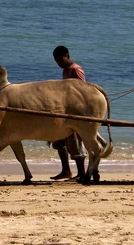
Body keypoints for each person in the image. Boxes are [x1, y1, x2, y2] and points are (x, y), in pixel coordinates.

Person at [50, 45, 87, 180]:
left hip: (75, 112)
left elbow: (83, 90)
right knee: (59, 141)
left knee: (75, 142)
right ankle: (66, 171)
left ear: (68, 56)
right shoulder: (66, 70)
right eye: (57, 62)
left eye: (61, 61)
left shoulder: (75, 69)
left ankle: (81, 173)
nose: (59, 64)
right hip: (64, 110)